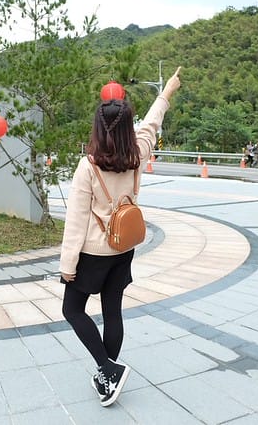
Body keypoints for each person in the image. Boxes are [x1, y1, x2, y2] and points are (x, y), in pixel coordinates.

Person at [60, 67, 182, 407]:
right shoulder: (137, 155)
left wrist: (68, 265)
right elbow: (152, 124)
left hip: (92, 253)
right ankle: (107, 374)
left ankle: (107, 369)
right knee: (112, 311)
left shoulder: (89, 166)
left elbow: (76, 220)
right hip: (123, 246)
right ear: (129, 126)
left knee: (72, 309)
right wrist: (167, 92)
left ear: (97, 128)